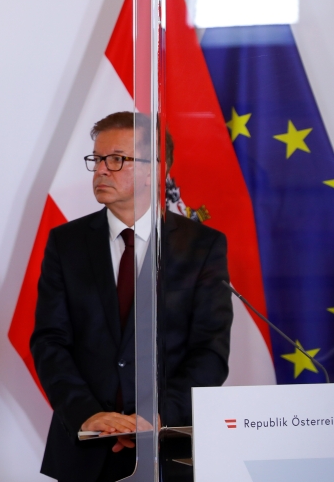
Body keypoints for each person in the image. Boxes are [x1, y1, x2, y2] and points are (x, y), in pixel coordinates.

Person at [30, 112, 232, 482]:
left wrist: (157, 416)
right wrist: (88, 414)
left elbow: (210, 352)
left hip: (166, 449)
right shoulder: (66, 243)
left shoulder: (201, 246)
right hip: (84, 451)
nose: (101, 171)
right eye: (97, 158)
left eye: (116, 159)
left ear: (157, 167)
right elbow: (49, 341)